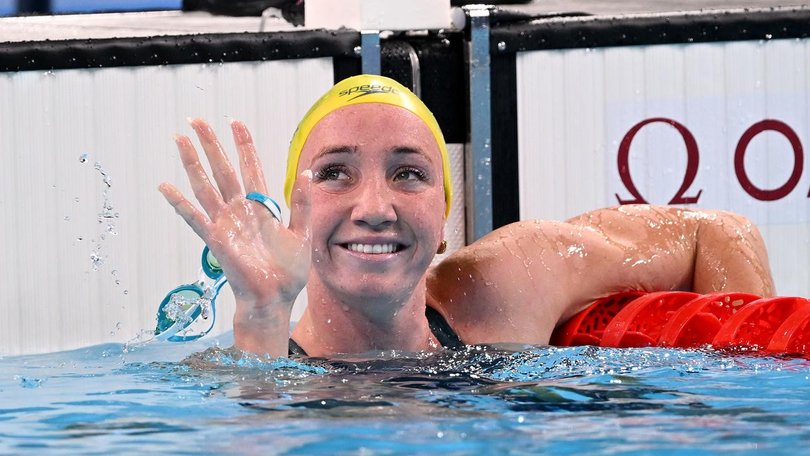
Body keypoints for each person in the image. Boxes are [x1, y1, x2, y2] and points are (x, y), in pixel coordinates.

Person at [159, 74, 774, 358]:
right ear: (295, 213)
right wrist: (262, 315)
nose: (374, 209)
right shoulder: (246, 365)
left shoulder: (512, 282)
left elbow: (717, 232)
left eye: (408, 173)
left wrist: (740, 395)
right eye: (335, 173)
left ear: (444, 216)